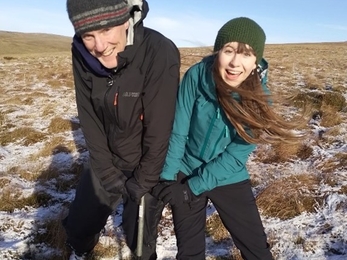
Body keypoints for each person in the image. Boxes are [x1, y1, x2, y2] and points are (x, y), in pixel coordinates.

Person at [152, 17, 303, 259]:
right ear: (218, 51)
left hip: (227, 175)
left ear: (256, 61)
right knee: (189, 253)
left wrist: (192, 188)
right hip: (187, 167)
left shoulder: (258, 98)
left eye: (246, 54)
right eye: (229, 50)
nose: (235, 63)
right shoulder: (196, 76)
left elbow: (235, 156)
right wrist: (169, 178)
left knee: (257, 250)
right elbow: (178, 131)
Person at [63, 0, 180, 259]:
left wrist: (142, 182)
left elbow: (159, 130)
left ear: (125, 19)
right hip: (108, 157)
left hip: (147, 163)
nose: (100, 46)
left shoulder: (158, 50)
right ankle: (79, 249)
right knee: (78, 226)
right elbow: (89, 116)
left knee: (139, 240)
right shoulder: (81, 53)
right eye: (88, 35)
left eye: (106, 30)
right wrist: (105, 170)